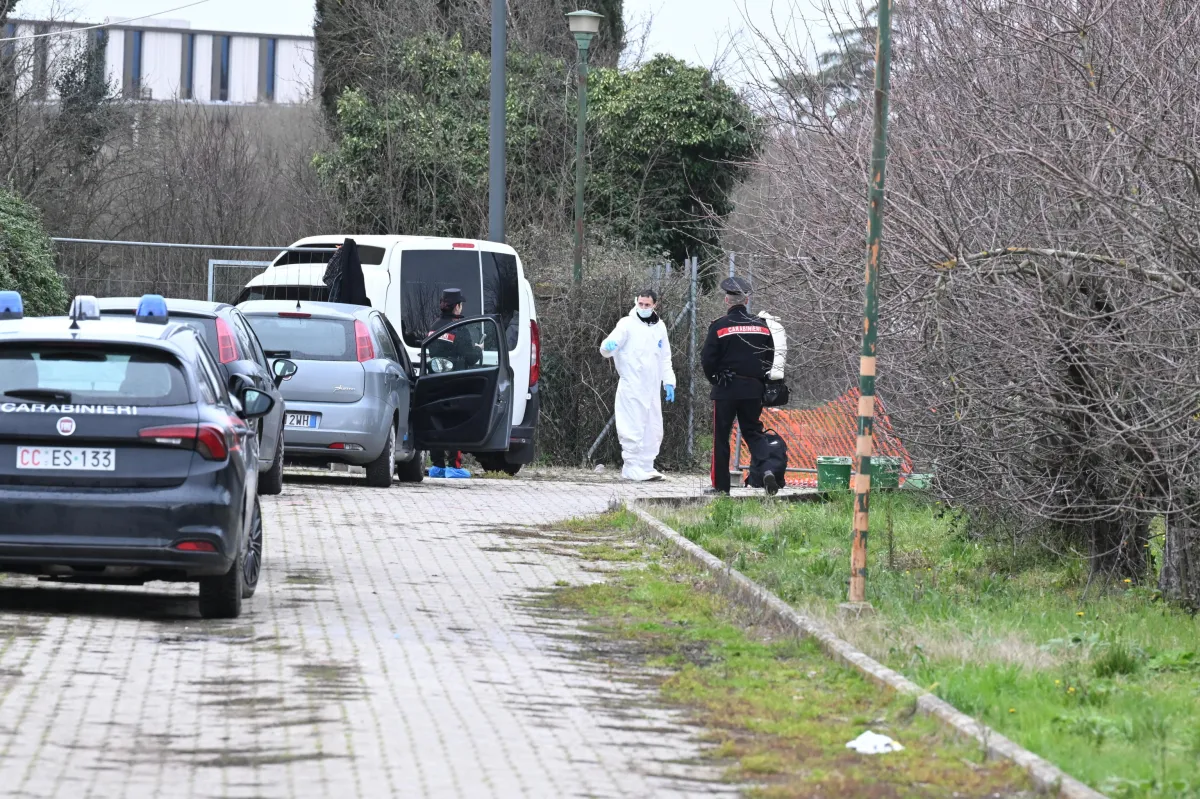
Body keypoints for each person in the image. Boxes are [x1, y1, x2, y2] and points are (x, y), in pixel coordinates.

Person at [701, 276, 776, 495]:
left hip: (726, 389)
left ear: (727, 301)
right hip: (753, 390)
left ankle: (722, 488)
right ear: (747, 300)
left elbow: (707, 359)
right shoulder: (762, 326)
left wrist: (715, 379)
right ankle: (768, 470)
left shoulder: (719, 326)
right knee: (754, 433)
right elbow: (769, 358)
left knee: (721, 437)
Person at [600, 289, 677, 481]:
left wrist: (668, 381)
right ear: (636, 302)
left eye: (647, 305)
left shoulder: (660, 327)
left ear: (654, 305)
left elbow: (665, 357)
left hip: (651, 387)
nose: (643, 307)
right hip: (632, 385)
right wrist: (606, 347)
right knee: (632, 425)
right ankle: (631, 465)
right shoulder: (626, 324)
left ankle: (646, 465)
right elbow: (610, 344)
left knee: (653, 426)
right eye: (640, 304)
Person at [427, 288, 480, 479]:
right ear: (457, 306)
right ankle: (454, 466)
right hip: (455, 383)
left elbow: (433, 351)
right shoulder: (459, 328)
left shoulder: (434, 326)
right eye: (461, 305)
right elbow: (471, 357)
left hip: (434, 382)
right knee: (454, 423)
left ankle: (437, 466)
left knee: (437, 423)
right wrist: (478, 349)